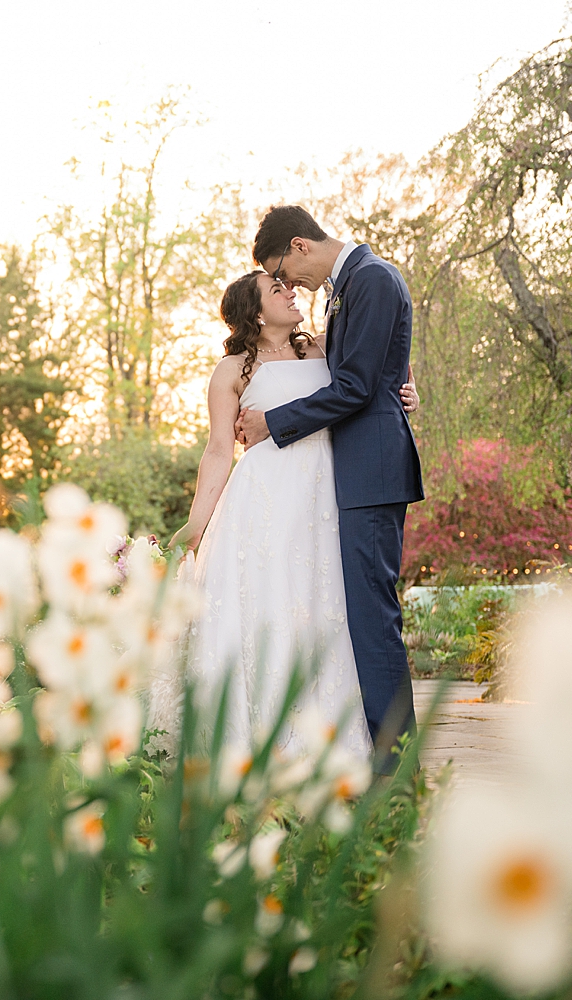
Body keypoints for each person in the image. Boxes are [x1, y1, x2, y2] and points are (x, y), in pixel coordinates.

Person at [153, 267, 418, 763]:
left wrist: (408, 391)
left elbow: (374, 368)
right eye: (277, 290)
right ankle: (263, 741)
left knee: (327, 609)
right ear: (255, 312)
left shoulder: (319, 348)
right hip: (264, 504)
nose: (290, 291)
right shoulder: (232, 371)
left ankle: (329, 742)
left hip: (326, 497)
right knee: (271, 609)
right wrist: (196, 524)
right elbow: (217, 450)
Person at [237, 206, 426, 772]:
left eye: (283, 272)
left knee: (373, 621)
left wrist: (276, 422)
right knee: (365, 618)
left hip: (371, 473)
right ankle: (385, 762)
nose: (290, 286)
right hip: (358, 472)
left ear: (299, 245)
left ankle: (397, 774)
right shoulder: (351, 286)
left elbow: (357, 387)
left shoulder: (370, 279)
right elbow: (374, 374)